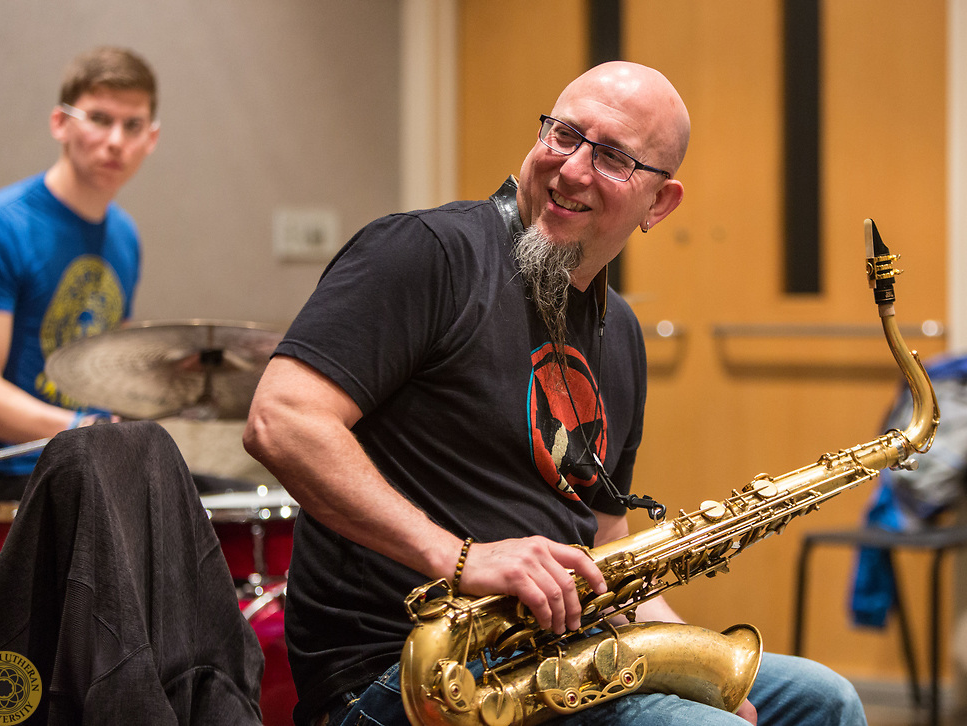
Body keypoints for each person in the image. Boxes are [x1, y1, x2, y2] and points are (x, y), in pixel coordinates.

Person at [244, 61, 867, 726]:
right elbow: (282, 419)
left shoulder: (619, 330)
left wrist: (698, 663)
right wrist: (458, 559)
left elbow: (604, 545)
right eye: (564, 135)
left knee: (824, 701)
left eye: (613, 157)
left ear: (660, 203)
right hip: (408, 674)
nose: (571, 169)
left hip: (557, 652)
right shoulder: (427, 253)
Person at [0, 46, 160, 501]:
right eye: (98, 118)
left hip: (90, 466)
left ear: (151, 139)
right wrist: (82, 428)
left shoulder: (125, 236)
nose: (116, 140)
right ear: (61, 123)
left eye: (132, 126)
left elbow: (111, 372)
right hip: (8, 472)